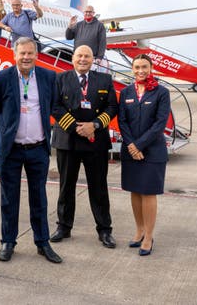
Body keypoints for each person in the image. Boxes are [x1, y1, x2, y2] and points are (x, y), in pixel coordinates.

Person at [0, 37, 63, 264]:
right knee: (8, 199)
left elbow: (55, 107)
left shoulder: (48, 77)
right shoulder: (2, 78)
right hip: (11, 150)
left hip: (37, 149)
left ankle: (42, 242)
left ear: (36, 55)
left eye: (30, 53)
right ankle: (8, 241)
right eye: (22, 53)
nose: (26, 57)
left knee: (39, 198)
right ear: (14, 55)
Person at [50, 45, 118, 248]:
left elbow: (112, 106)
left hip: (95, 141)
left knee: (99, 188)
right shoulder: (60, 79)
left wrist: (94, 125)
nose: (83, 59)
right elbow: (55, 106)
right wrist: (75, 127)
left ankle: (104, 230)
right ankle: (64, 227)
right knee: (66, 187)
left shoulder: (104, 80)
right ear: (73, 59)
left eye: (87, 56)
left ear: (92, 60)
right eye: (79, 55)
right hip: (68, 141)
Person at [118, 54, 171, 256]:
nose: (140, 71)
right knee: (135, 191)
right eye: (137, 67)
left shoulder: (161, 92)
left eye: (144, 67)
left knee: (148, 192)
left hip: (152, 151)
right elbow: (122, 121)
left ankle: (148, 236)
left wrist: (138, 145)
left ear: (151, 68)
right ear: (132, 69)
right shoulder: (126, 92)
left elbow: (160, 124)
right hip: (131, 151)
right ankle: (139, 230)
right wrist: (131, 146)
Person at [66, 5, 107, 70]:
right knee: (77, 78)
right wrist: (70, 26)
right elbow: (68, 37)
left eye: (90, 12)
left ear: (93, 13)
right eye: (86, 12)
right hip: (78, 58)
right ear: (83, 13)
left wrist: (99, 57)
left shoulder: (99, 26)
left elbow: (102, 42)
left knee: (89, 78)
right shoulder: (78, 25)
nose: (88, 13)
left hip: (91, 59)